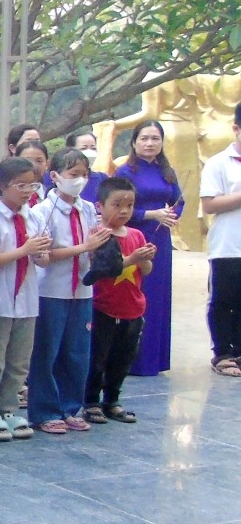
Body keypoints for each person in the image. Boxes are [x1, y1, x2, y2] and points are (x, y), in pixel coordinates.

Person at [28, 148, 108, 435]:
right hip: (51, 289)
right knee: (47, 352)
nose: (80, 180)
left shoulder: (87, 209)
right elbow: (45, 254)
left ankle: (70, 407)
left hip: (82, 291)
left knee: (77, 352)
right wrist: (84, 247)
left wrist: (98, 249)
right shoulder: (42, 212)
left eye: (84, 175)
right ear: (55, 176)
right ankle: (45, 410)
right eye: (73, 174)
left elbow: (93, 246)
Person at [0, 157, 49, 442]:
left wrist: (40, 253)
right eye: (21, 185)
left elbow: (43, 260)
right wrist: (24, 249)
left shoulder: (34, 217)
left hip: (27, 298)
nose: (28, 191)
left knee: (19, 361)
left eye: (33, 185)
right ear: (3, 185)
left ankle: (9, 409)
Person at [85, 177, 157, 423]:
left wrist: (144, 258)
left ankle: (112, 399)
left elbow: (146, 270)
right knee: (98, 357)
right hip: (103, 306)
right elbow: (104, 269)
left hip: (132, 307)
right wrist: (132, 258)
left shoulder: (136, 234)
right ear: (99, 206)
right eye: (117, 205)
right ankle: (91, 400)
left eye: (130, 205)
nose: (124, 211)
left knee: (123, 357)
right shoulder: (98, 235)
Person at [114, 121, 183, 376]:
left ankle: (154, 360)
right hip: (133, 237)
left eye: (155, 138)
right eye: (144, 138)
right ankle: (129, 360)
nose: (150, 143)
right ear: (134, 142)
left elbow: (179, 200)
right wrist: (151, 214)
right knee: (133, 293)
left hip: (160, 240)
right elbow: (116, 207)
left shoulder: (167, 171)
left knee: (157, 297)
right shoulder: (125, 172)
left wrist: (172, 215)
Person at [202, 107, 241, 378]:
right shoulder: (219, 162)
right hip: (228, 244)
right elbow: (209, 204)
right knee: (223, 300)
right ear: (236, 129)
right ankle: (223, 353)